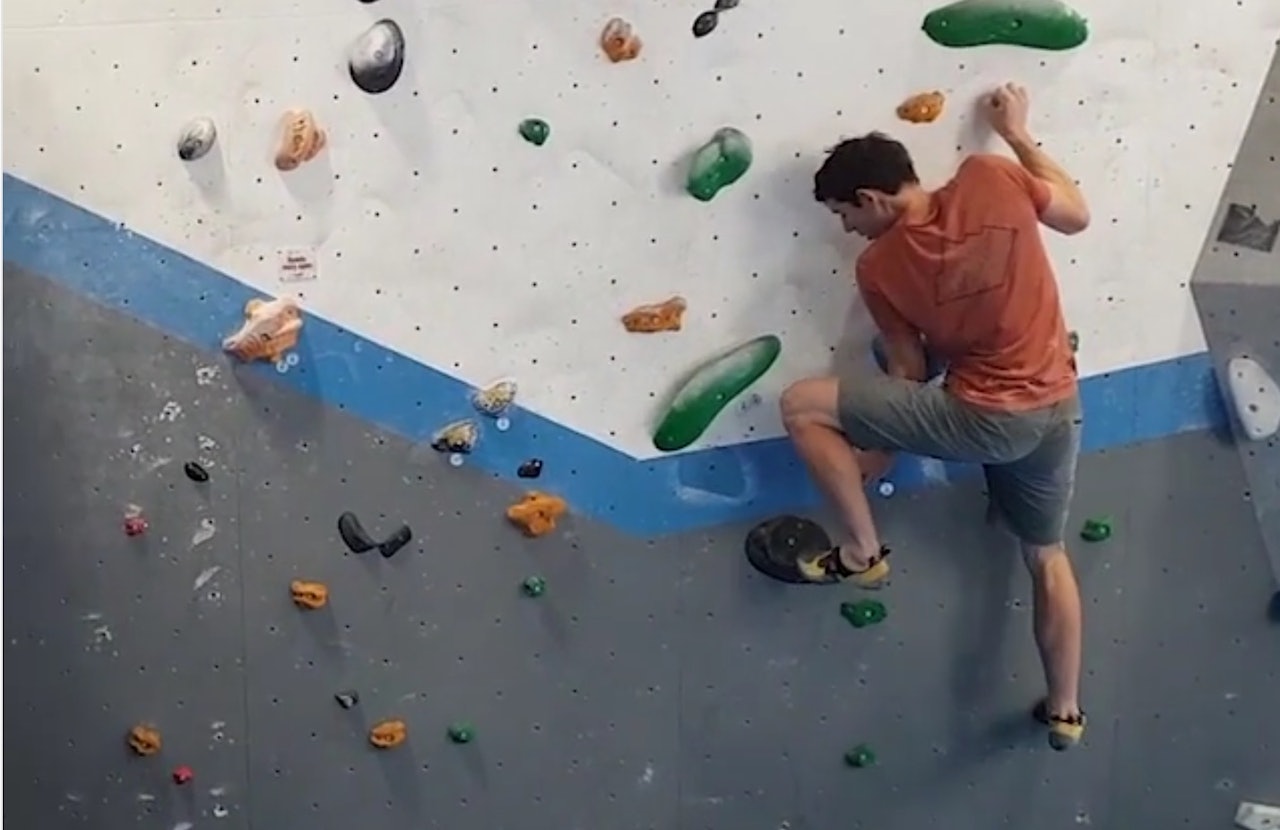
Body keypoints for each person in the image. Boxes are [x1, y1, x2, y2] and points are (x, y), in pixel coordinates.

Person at [779, 82, 1089, 751]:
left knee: (801, 405)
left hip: (983, 415)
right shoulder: (990, 175)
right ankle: (1066, 710)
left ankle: (862, 552)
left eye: (843, 215)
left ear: (871, 199)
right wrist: (1018, 133)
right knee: (1046, 556)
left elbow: (909, 371)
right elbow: (1075, 216)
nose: (846, 229)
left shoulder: (880, 266)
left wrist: (872, 458)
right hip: (1059, 406)